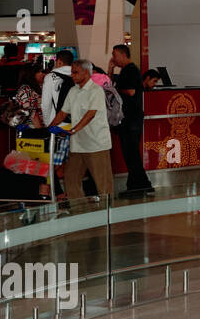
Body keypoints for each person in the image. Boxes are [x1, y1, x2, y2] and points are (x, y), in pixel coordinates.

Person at [48, 59, 113, 201]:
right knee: (71, 179)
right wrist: (50, 128)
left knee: (103, 182)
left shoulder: (96, 91)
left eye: (75, 72)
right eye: (72, 72)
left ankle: (108, 212)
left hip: (96, 144)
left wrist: (74, 130)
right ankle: (78, 210)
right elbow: (63, 113)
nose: (72, 75)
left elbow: (90, 114)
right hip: (77, 144)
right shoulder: (73, 91)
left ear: (86, 73)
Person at [108, 44, 152, 195]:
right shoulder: (126, 71)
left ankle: (140, 185)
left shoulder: (131, 70)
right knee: (130, 153)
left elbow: (132, 92)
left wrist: (116, 90)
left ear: (122, 54)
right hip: (129, 119)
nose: (113, 58)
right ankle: (137, 184)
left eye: (114, 55)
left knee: (131, 153)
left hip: (131, 119)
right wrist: (111, 70)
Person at [39, 49, 74, 125]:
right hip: (77, 123)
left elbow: (46, 104)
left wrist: (48, 123)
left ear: (59, 62)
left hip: (57, 123)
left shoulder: (50, 77)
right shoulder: (78, 76)